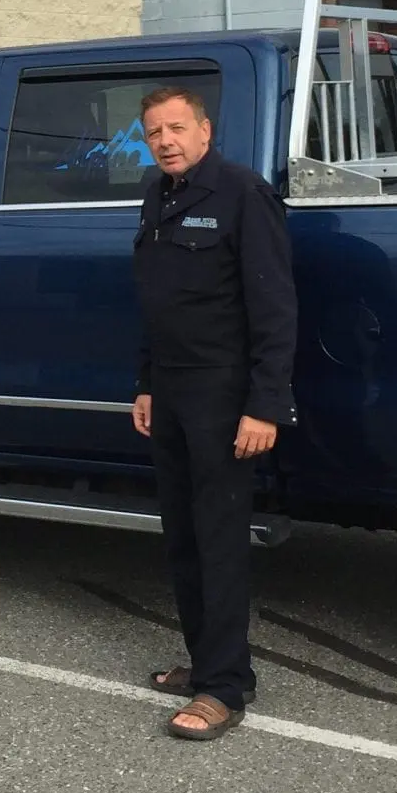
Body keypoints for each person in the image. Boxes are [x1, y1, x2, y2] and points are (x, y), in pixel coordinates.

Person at [130, 85, 297, 742]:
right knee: (183, 537)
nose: (165, 141)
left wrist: (265, 404)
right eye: (153, 133)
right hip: (170, 392)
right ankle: (206, 663)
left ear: (204, 130)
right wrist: (145, 383)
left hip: (224, 397)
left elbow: (275, 307)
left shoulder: (241, 193)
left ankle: (224, 689)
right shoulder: (157, 195)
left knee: (219, 539)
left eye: (176, 128)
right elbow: (157, 300)